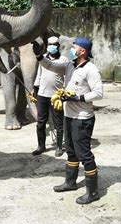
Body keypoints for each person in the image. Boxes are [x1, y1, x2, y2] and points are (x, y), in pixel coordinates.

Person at [32, 37, 103, 205]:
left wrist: (78, 97)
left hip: (82, 119)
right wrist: (39, 55)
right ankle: (70, 182)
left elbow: (99, 93)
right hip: (69, 116)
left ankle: (92, 192)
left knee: (84, 154)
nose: (71, 50)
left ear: (82, 51)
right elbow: (50, 66)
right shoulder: (69, 65)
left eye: (74, 47)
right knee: (71, 151)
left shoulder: (91, 70)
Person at [32, 36, 68, 157]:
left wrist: (65, 92)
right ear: (47, 45)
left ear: (58, 46)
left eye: (55, 44)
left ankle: (59, 147)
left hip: (56, 95)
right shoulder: (43, 59)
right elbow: (39, 74)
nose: (52, 46)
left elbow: (66, 78)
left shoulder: (63, 60)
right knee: (41, 122)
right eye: (50, 44)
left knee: (58, 122)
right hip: (42, 94)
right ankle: (41, 146)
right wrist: (35, 89)